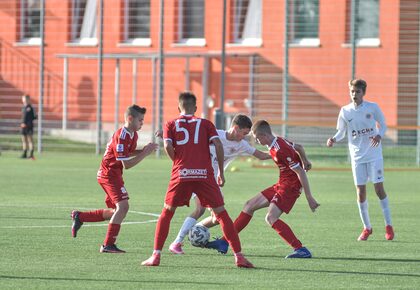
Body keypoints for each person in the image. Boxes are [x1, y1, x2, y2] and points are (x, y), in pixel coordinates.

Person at [141, 92, 254, 268]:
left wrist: (177, 161)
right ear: (195, 108)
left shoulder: (170, 124)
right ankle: (239, 257)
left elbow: (167, 145)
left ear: (179, 108)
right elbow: (217, 144)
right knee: (221, 214)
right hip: (204, 174)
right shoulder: (206, 124)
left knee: (167, 213)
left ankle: (156, 256)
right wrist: (221, 175)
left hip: (182, 173)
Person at [207, 120, 319, 258]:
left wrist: (309, 197)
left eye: (256, 138)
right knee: (249, 205)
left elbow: (300, 172)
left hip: (290, 187)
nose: (256, 140)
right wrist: (306, 160)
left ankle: (301, 249)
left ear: (264, 135)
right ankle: (224, 242)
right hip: (282, 183)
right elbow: (300, 147)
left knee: (270, 217)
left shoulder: (280, 149)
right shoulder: (277, 142)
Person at [168, 114, 271, 255]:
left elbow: (261, 155)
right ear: (235, 128)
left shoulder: (241, 145)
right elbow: (191, 138)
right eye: (244, 133)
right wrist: (168, 136)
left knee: (216, 218)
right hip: (197, 175)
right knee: (200, 209)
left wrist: (280, 150)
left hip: (211, 182)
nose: (245, 136)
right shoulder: (215, 134)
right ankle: (177, 242)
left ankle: (194, 231)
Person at [71, 105, 158, 253]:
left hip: (114, 174)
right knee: (123, 207)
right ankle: (107, 245)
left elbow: (128, 151)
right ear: (130, 119)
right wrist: (145, 153)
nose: (142, 123)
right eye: (140, 120)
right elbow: (127, 164)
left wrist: (144, 150)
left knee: (116, 212)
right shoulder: (122, 135)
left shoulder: (133, 134)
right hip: (108, 174)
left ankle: (81, 216)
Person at [326, 79, 394, 241]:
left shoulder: (373, 107)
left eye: (357, 92)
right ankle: (367, 228)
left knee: (378, 189)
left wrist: (379, 135)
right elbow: (341, 132)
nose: (354, 94)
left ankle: (389, 226)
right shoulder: (345, 111)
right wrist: (333, 139)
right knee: (360, 192)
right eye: (352, 92)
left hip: (374, 155)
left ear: (363, 93)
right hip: (357, 157)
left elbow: (383, 125)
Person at [20, 95, 37, 159]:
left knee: (30, 140)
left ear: (28, 99)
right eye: (23, 99)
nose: (23, 100)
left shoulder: (30, 108)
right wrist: (22, 123)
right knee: (24, 140)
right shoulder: (23, 107)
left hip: (29, 127)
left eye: (25, 99)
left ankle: (31, 154)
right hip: (23, 126)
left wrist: (27, 124)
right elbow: (23, 117)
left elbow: (33, 117)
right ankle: (24, 154)